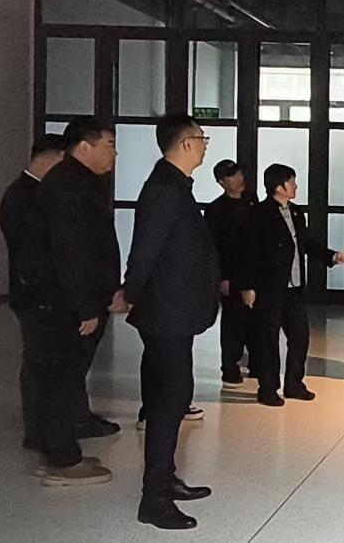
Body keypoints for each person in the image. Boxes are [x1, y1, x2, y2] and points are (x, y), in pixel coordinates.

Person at [122, 115, 218, 530]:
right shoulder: (164, 189)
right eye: (201, 138)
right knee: (169, 401)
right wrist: (130, 292)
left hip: (174, 312)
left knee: (175, 397)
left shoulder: (175, 184)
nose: (205, 145)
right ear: (185, 143)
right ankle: (154, 498)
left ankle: (165, 479)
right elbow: (145, 250)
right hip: (166, 312)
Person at [30, 120, 124, 486]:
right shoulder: (69, 185)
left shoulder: (76, 181)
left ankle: (57, 450)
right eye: (109, 144)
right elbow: (68, 251)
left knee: (63, 377)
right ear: (85, 147)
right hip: (68, 303)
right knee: (64, 378)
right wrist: (84, 306)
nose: (114, 152)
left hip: (72, 299)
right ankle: (64, 460)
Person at [238, 164, 344, 407]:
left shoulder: (296, 212)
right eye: (292, 182)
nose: (296, 186)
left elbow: (306, 243)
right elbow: (248, 252)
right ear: (279, 187)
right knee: (268, 341)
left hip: (295, 287)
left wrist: (331, 256)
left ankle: (294, 384)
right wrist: (248, 286)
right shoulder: (259, 214)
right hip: (270, 288)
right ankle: (268, 388)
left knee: (300, 338)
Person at [0, 133, 66, 452]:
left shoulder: (33, 193)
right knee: (38, 361)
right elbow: (29, 252)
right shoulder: (23, 196)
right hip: (33, 294)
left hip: (38, 292)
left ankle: (47, 425)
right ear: (47, 159)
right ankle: (37, 430)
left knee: (45, 360)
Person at [204, 159, 258, 388]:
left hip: (254, 270)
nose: (239, 179)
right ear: (221, 182)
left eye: (239, 173)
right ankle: (229, 366)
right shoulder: (216, 209)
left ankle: (256, 362)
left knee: (257, 319)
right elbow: (213, 246)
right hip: (231, 272)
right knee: (233, 321)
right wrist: (222, 276)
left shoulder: (251, 200)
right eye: (232, 176)